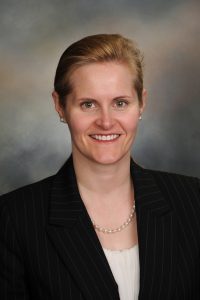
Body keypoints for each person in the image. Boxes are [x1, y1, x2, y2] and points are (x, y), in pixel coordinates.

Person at [0, 34, 199, 300]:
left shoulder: (194, 202)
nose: (106, 122)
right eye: (88, 104)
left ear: (142, 103)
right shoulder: (13, 219)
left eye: (120, 103)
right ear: (60, 106)